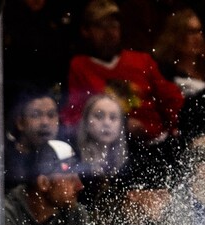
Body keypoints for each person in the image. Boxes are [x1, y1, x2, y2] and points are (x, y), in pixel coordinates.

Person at [60, 0, 184, 159]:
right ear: (86, 31)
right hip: (107, 151)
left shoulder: (141, 61)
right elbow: (73, 116)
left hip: (156, 145)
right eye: (100, 26)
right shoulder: (79, 66)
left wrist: (177, 128)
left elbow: (172, 100)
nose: (108, 32)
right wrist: (122, 126)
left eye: (113, 25)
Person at [72, 91, 128, 212]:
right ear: (86, 121)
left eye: (113, 118)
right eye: (99, 116)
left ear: (121, 125)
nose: (107, 123)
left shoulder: (128, 166)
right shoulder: (73, 162)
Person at [4, 87, 61, 190]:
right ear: (20, 123)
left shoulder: (56, 155)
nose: (45, 122)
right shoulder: (3, 158)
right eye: (36, 115)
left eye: (51, 115)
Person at [152, 8, 205, 98]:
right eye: (191, 32)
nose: (198, 37)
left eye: (199, 31)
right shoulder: (165, 74)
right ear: (177, 36)